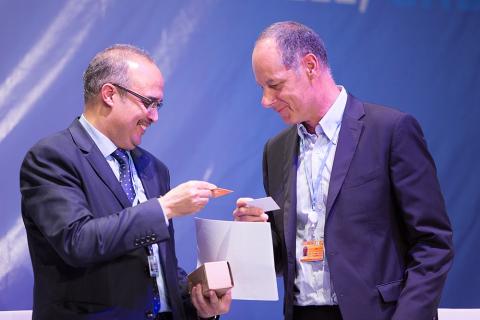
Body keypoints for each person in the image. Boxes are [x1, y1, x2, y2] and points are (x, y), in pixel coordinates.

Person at [233, 21, 454, 320]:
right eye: (262, 88)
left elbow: (432, 243)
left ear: (310, 65)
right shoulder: (276, 150)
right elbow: (285, 256)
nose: (266, 101)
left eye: (274, 85)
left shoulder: (390, 131)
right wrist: (256, 235)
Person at [20, 44, 231, 320]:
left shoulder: (154, 169)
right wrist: (163, 208)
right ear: (109, 94)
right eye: (148, 102)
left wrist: (197, 302)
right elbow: (77, 241)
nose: (154, 116)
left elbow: (156, 263)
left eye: (159, 105)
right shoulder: (52, 157)